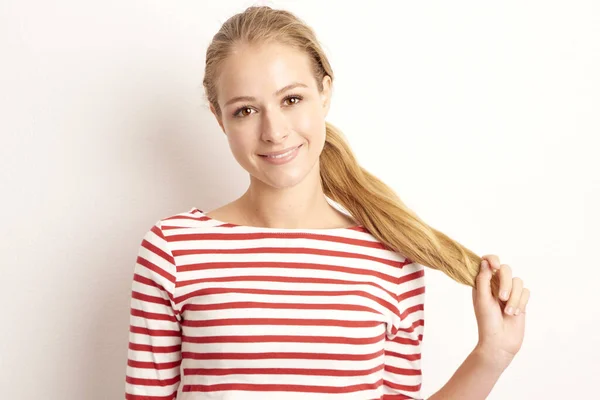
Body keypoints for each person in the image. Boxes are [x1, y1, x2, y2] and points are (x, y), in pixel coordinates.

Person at [124, 5, 530, 400]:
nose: (274, 131)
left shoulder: (391, 259)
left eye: (292, 100)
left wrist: (492, 355)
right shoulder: (175, 250)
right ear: (219, 119)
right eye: (246, 110)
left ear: (325, 93)